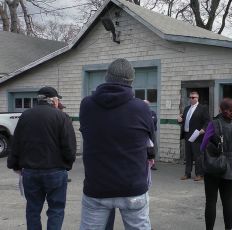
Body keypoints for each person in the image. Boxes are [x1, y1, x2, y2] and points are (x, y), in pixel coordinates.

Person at [79, 58, 154, 229]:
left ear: (106, 77)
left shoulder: (87, 105)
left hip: (97, 187)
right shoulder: (141, 108)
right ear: (131, 81)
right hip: (132, 186)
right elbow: (151, 142)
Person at [7, 86, 76, 230]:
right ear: (54, 100)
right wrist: (67, 164)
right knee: (56, 210)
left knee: (32, 210)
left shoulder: (25, 116)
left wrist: (14, 164)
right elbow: (69, 146)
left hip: (30, 172)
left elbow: (16, 142)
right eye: (58, 99)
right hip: (56, 171)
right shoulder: (61, 117)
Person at [200, 98, 232, 230]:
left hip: (214, 165)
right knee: (227, 200)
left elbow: (203, 145)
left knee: (211, 201)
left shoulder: (214, 123)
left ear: (220, 109)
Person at [178, 91, 210, 181]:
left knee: (198, 156)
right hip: (187, 134)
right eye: (190, 97)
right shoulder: (187, 108)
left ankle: (199, 174)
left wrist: (203, 129)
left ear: (197, 98)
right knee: (188, 156)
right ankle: (187, 173)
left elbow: (208, 121)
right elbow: (183, 120)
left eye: (194, 97)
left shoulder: (203, 108)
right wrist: (180, 120)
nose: (192, 99)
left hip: (197, 135)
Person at [144, 100, 158, 171]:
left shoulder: (152, 113)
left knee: (152, 147)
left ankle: (153, 164)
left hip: (152, 133)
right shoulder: (140, 113)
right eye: (144, 104)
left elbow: (154, 121)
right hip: (144, 133)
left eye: (146, 104)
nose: (145, 105)